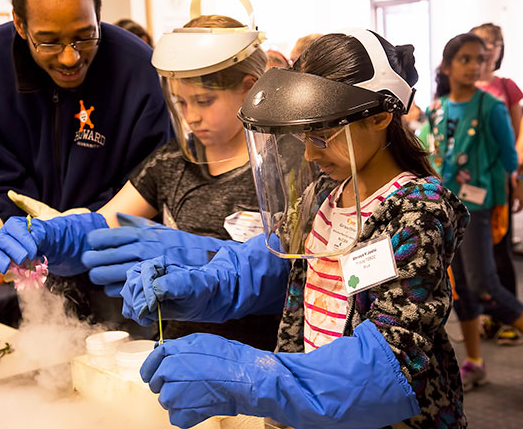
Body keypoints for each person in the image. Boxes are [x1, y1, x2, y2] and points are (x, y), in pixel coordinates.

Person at [109, 29, 469, 428]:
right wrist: (200, 284)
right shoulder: (325, 194)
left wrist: (255, 375)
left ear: (381, 117)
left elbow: (392, 361)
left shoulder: (416, 210)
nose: (311, 154)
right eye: (304, 137)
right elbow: (272, 263)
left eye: (322, 136)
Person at [0, 0, 282, 350]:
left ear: (249, 90)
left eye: (204, 101)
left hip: (260, 354)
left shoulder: (284, 169)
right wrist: (54, 235)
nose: (191, 117)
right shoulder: (170, 163)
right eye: (181, 101)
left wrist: (203, 258)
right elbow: (104, 226)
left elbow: (290, 274)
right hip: (178, 352)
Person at [0, 0, 172, 311]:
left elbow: (154, 177)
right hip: (33, 262)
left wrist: (83, 226)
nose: (70, 57)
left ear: (98, 18)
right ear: (20, 25)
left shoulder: (137, 66)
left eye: (85, 37)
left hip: (119, 262)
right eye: (48, 42)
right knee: (50, 344)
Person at [426, 33, 523, 391]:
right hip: (445, 206)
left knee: (485, 283)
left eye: (480, 59)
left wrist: (509, 189)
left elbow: (510, 156)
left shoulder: (491, 106)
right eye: (465, 59)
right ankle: (475, 362)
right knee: (462, 288)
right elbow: (431, 148)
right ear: (448, 64)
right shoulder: (438, 108)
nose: (474, 66)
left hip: (478, 206)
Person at [470, 23, 523, 345]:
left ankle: (508, 320)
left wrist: (516, 179)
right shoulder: (455, 86)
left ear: (501, 49)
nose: (488, 47)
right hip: (465, 185)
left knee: (499, 253)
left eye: (495, 42)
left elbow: (515, 141)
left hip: (497, 183)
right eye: (483, 40)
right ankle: (486, 316)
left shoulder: (506, 87)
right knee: (471, 258)